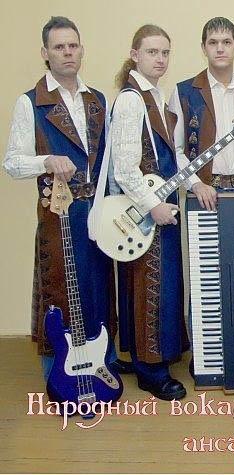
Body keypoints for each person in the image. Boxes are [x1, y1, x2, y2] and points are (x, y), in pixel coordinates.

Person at [3, 16, 119, 380]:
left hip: (97, 211)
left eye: (72, 46)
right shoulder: (31, 102)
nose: (67, 52)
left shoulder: (97, 99)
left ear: (81, 50)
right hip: (59, 213)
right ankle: (60, 374)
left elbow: (108, 160)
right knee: (60, 289)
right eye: (59, 47)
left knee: (99, 287)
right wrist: (46, 161)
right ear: (45, 53)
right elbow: (12, 162)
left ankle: (103, 365)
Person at [169, 17, 234, 366]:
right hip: (204, 194)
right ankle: (203, 345)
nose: (220, 48)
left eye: (226, 42)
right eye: (213, 42)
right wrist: (195, 184)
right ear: (204, 48)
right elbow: (175, 149)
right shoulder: (185, 92)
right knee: (205, 272)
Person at [110, 24, 199, 400]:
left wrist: (196, 183)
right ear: (135, 55)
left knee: (154, 283)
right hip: (148, 207)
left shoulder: (155, 96)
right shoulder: (132, 100)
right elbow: (124, 169)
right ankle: (151, 371)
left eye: (165, 52)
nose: (160, 59)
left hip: (158, 203)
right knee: (152, 286)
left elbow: (172, 155)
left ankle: (142, 356)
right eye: (152, 52)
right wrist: (154, 206)